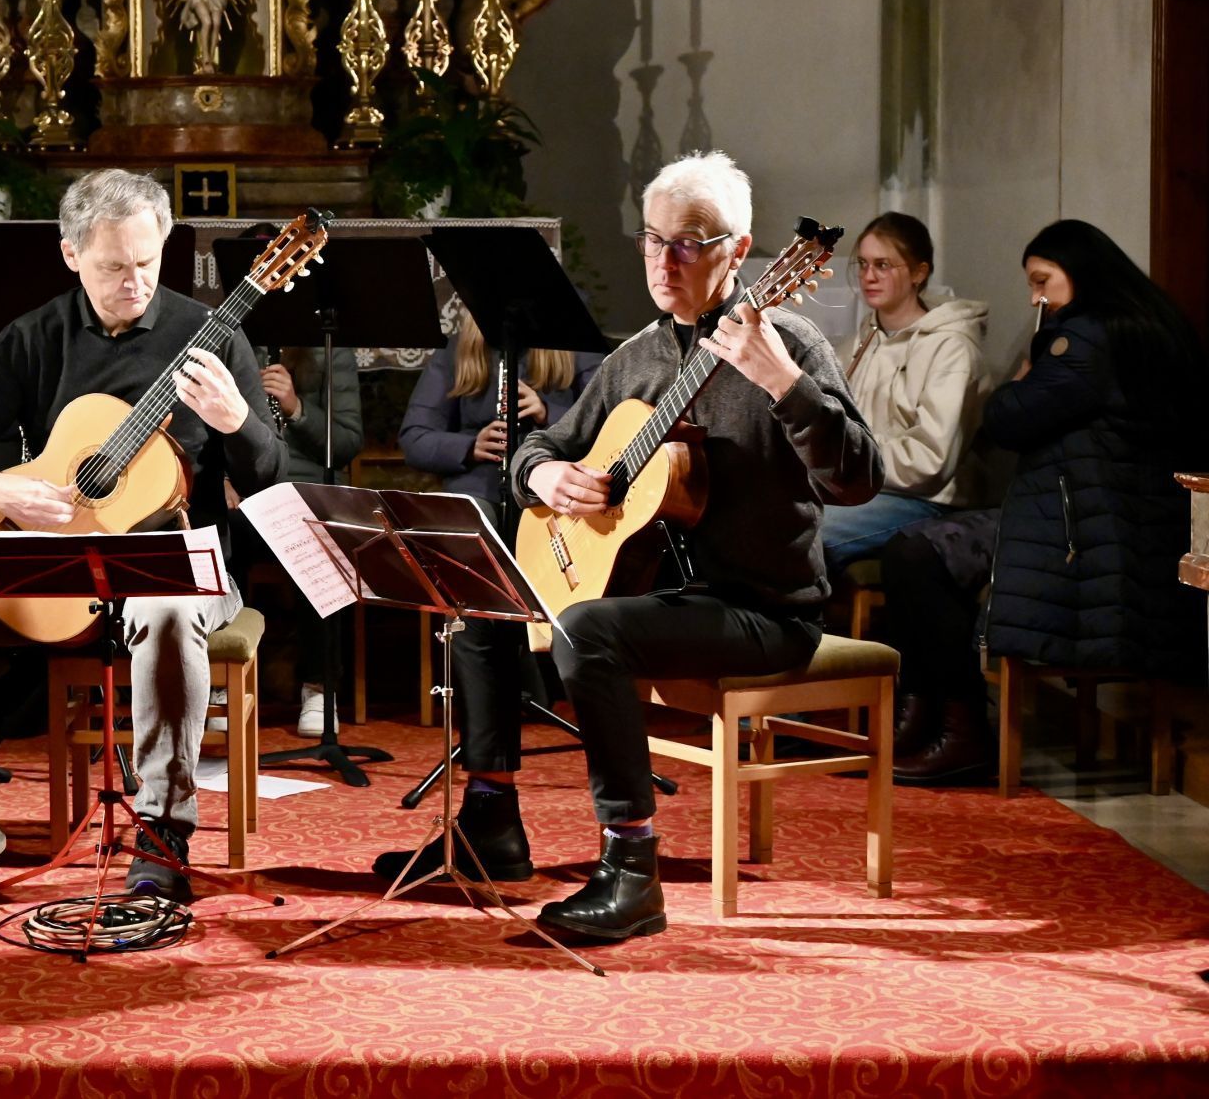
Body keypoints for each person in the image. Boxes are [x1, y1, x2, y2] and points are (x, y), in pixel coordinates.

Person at [0, 168, 285, 899]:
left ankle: (162, 831)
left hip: (175, 566)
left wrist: (240, 424)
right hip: (50, 567)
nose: (135, 283)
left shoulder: (212, 338)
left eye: (148, 263)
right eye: (115, 267)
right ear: (71, 254)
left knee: (164, 603)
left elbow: (269, 479)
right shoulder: (35, 337)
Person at [510, 152, 881, 940]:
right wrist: (544, 477)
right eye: (652, 240)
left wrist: (786, 386)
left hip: (766, 609)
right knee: (481, 601)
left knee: (588, 629)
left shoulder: (789, 343)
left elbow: (860, 481)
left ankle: (630, 870)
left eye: (689, 242)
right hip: (667, 599)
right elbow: (541, 445)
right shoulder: (637, 356)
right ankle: (487, 818)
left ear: (740, 253)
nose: (663, 260)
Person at [887, 219, 1208, 784]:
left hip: (1081, 536)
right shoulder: (1149, 327)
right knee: (922, 551)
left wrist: (1019, 380)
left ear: (1078, 272)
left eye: (1043, 281)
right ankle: (924, 716)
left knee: (917, 553)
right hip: (1125, 527)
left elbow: (1008, 420)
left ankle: (959, 728)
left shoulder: (1085, 338)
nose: (1037, 298)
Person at [374, 309, 599, 882]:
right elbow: (415, 439)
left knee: (489, 622)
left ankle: (495, 813)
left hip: (557, 522)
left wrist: (552, 415)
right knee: (472, 615)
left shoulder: (573, 348)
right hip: (480, 519)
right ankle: (489, 809)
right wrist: (471, 445)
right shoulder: (457, 354)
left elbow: (616, 423)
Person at [821, 212, 991, 576]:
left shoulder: (951, 347)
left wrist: (849, 457)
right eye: (863, 264)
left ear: (918, 272)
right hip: (863, 487)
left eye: (883, 265)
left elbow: (930, 461)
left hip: (925, 500)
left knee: (805, 532)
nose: (868, 276)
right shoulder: (860, 341)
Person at [253, 343, 361, 736]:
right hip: (248, 494)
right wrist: (226, 481)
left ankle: (319, 686)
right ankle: (217, 682)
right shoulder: (237, 343)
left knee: (318, 544)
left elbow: (347, 443)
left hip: (306, 494)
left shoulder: (331, 351)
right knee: (211, 533)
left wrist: (296, 407)